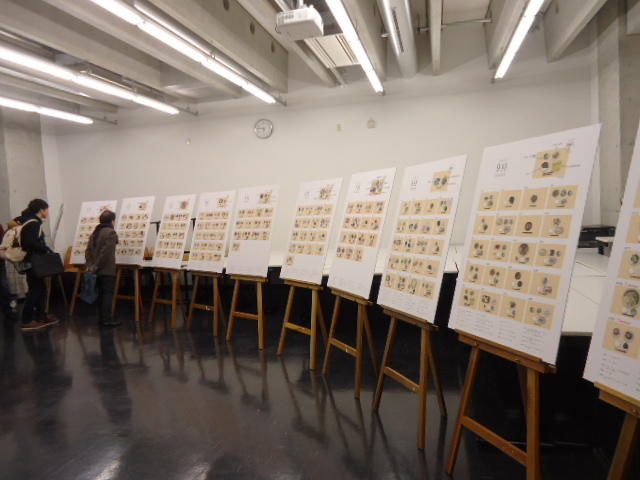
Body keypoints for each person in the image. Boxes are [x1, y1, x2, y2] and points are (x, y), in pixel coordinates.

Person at [20, 199, 59, 332]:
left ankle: (41, 316)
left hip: (33, 261)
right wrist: (45, 248)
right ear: (41, 210)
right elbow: (28, 242)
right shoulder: (33, 223)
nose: (47, 212)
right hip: (34, 262)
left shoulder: (29, 221)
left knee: (41, 289)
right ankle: (26, 320)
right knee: (35, 291)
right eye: (46, 209)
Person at [85, 210, 120, 327]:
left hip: (95, 270)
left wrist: (90, 266)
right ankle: (107, 319)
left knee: (101, 294)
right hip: (106, 270)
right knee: (107, 295)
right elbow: (106, 254)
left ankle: (102, 318)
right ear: (112, 221)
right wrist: (96, 266)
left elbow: (88, 251)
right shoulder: (111, 233)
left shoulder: (95, 232)